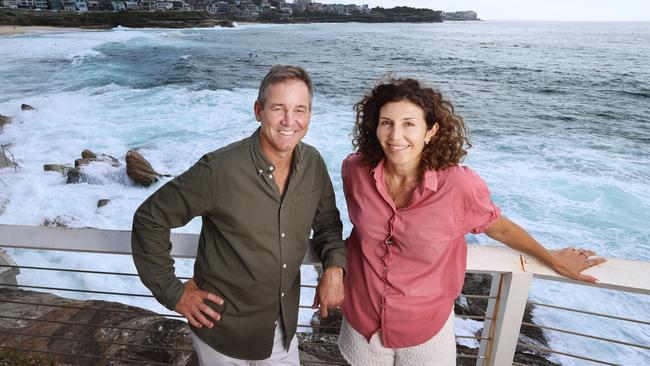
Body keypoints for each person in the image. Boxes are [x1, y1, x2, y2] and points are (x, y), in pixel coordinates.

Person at [337, 77, 606, 365]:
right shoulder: (355, 170)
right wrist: (333, 267)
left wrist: (551, 259)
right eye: (386, 122)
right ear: (375, 126)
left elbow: (499, 227)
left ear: (431, 131)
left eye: (409, 124)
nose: (395, 135)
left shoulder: (459, 185)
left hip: (424, 328)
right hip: (361, 321)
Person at [131, 65, 346, 365]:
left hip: (283, 332)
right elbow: (150, 218)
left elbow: (327, 225)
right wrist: (174, 292)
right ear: (258, 111)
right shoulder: (219, 169)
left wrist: (335, 267)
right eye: (278, 108)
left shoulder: (313, 164)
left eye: (300, 109)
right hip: (221, 333)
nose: (289, 121)